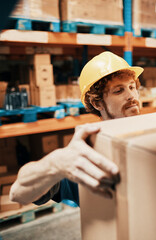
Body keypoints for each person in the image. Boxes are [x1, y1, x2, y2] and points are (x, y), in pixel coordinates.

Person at [10, 52, 144, 206]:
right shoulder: (85, 157)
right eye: (119, 91)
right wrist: (56, 164)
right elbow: (18, 193)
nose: (131, 96)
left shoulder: (154, 134)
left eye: (132, 87)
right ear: (97, 104)